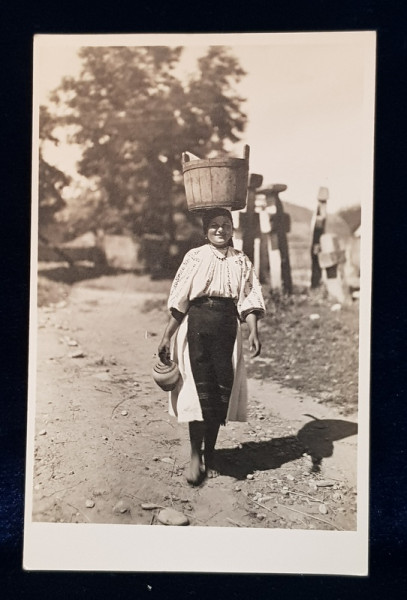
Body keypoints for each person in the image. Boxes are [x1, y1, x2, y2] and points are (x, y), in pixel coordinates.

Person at [158, 207, 265, 485]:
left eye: (226, 224)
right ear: (205, 230)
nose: (220, 229)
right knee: (197, 391)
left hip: (227, 328)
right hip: (197, 326)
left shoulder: (241, 260)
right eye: (214, 225)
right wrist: (166, 336)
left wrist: (253, 330)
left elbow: (249, 298)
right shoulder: (194, 257)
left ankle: (211, 454)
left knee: (219, 393)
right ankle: (195, 455)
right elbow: (180, 300)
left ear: (233, 228)